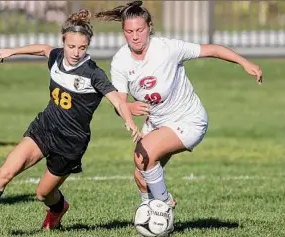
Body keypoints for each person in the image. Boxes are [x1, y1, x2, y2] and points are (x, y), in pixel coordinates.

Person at [0, 9, 141, 234]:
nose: (76, 52)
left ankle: (58, 208)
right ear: (64, 42)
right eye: (71, 46)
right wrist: (11, 52)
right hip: (44, 128)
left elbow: (117, 100)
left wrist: (130, 122)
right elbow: (43, 49)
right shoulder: (57, 57)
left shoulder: (93, 73)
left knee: (43, 194)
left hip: (70, 143)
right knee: (6, 171)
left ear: (88, 46)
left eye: (82, 47)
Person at [96, 0, 262, 233]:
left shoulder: (167, 48)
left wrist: (245, 62)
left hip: (189, 120)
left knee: (145, 154)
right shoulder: (121, 61)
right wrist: (128, 109)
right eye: (129, 31)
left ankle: (163, 207)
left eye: (140, 30)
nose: (135, 36)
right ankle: (156, 223)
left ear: (150, 27)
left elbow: (212, 49)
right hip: (157, 124)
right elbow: (119, 102)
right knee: (141, 173)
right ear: (123, 32)